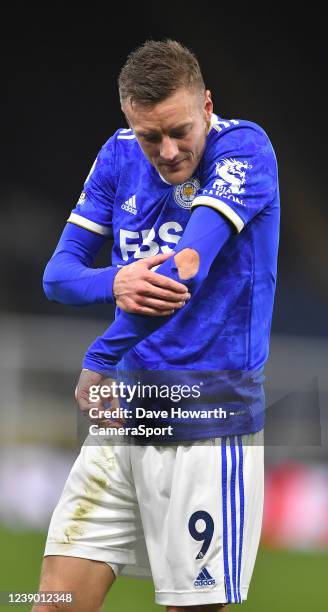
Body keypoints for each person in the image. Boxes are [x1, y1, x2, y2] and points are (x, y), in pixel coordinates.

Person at [34, 40, 280, 612]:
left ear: (207, 105)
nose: (168, 151)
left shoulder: (245, 148)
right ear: (130, 122)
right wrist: (115, 280)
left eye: (180, 130)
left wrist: (97, 359)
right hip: (128, 414)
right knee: (53, 601)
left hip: (209, 417)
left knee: (190, 608)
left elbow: (185, 269)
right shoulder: (118, 156)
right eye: (151, 137)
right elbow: (59, 274)